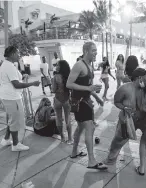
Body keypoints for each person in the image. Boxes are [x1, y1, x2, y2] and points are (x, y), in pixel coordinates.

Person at [66, 41, 107, 170]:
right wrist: (89, 88)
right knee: (89, 128)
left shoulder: (89, 65)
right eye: (93, 50)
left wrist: (95, 93)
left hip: (85, 101)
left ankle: (74, 152)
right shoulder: (79, 65)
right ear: (86, 51)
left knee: (80, 128)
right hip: (80, 103)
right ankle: (91, 160)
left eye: (96, 50)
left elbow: (87, 87)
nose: (96, 53)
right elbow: (69, 84)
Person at [104, 68, 146, 177]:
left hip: (144, 119)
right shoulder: (124, 88)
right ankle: (111, 159)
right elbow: (116, 101)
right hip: (129, 120)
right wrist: (124, 107)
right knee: (118, 139)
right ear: (140, 78)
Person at [0, 46, 40, 151]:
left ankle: (6, 139)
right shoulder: (9, 66)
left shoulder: (6, 65)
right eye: (17, 53)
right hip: (12, 97)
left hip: (8, 96)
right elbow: (16, 84)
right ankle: (16, 145)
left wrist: (22, 76)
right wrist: (32, 83)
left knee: (12, 119)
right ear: (12, 54)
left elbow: (14, 79)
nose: (19, 55)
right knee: (15, 121)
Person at [52, 60, 72, 143]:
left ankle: (63, 138)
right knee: (68, 118)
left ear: (60, 67)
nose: (56, 66)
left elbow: (53, 90)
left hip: (57, 99)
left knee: (59, 119)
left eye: (57, 65)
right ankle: (70, 138)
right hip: (67, 99)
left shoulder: (55, 77)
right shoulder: (69, 76)